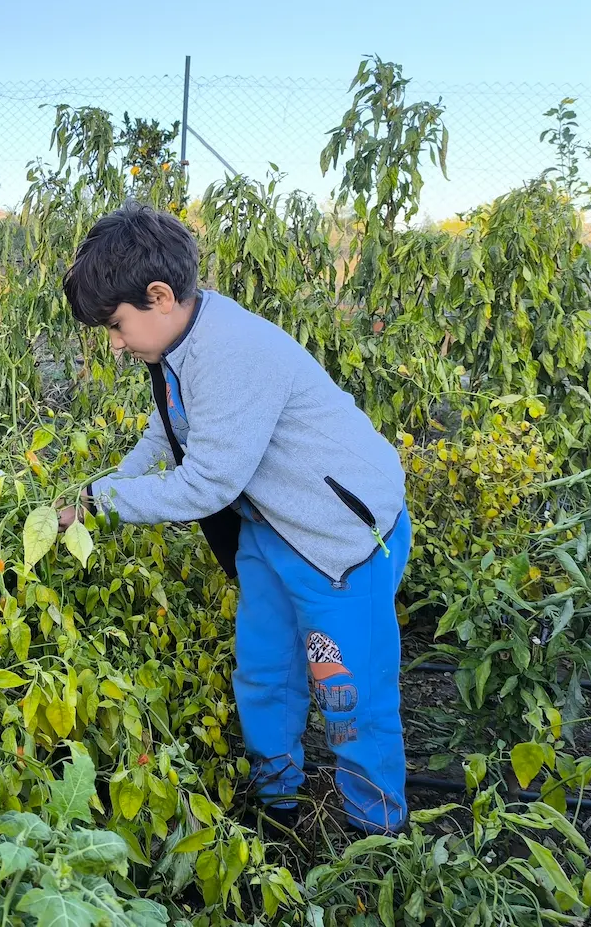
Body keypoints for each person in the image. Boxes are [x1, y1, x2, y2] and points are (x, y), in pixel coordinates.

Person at [57, 202, 411, 833]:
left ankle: (376, 830)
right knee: (265, 668)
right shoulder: (182, 343)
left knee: (349, 691)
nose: (115, 343)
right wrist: (101, 488)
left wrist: (100, 501)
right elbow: (167, 433)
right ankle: (278, 802)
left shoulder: (231, 351)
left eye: (116, 325)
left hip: (338, 543)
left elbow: (206, 484)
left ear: (159, 297)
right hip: (273, 527)